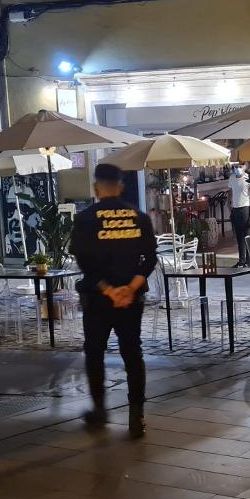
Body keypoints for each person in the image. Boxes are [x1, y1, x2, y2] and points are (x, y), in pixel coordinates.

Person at [70, 162, 158, 438]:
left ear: (97, 188)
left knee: (95, 352)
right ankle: (136, 417)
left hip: (97, 298)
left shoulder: (85, 219)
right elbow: (150, 259)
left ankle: (100, 410)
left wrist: (109, 290)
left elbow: (83, 261)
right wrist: (129, 289)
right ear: (120, 186)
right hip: (131, 299)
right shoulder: (139, 217)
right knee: (133, 353)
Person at [228, 164, 250, 267]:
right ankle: (241, 260)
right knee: (239, 236)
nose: (237, 168)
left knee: (246, 236)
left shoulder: (248, 178)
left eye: (240, 166)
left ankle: (248, 262)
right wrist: (229, 204)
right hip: (235, 209)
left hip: (245, 208)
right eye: (236, 166)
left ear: (245, 166)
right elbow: (230, 191)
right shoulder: (232, 178)